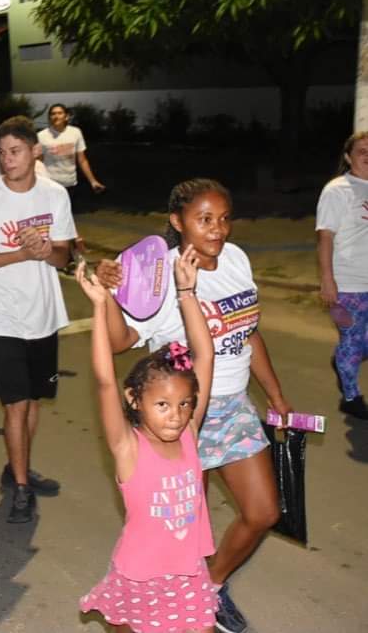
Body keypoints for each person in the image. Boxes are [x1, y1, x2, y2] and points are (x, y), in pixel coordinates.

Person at [95, 179, 287, 633]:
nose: (218, 230)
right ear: (178, 222)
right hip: (182, 419)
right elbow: (122, 341)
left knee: (264, 512)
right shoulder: (160, 276)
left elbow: (248, 332)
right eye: (204, 220)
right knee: (178, 534)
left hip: (234, 406)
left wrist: (275, 395)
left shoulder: (236, 259)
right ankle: (156, 607)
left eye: (223, 218)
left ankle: (211, 586)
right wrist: (108, 297)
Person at [77, 248, 218, 633]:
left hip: (189, 573)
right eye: (161, 404)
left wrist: (186, 292)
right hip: (141, 578)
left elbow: (205, 354)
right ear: (134, 400)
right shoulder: (129, 448)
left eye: (184, 403)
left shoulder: (189, 432)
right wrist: (99, 307)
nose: (176, 413)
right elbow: (105, 380)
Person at [0, 116, 76, 523]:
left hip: (44, 315)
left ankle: (18, 466)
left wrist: (46, 251)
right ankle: (21, 488)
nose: (7, 160)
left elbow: (65, 256)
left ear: (35, 151)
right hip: (4, 320)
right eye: (3, 152)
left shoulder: (55, 195)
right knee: (14, 405)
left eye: (16, 151)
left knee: (35, 400)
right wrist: (21, 254)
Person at [318, 132, 368, 420]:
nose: (367, 155)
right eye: (362, 150)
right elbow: (325, 236)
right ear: (348, 157)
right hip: (347, 284)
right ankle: (351, 397)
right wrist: (327, 279)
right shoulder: (338, 190)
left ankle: (343, 361)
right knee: (352, 340)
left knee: (358, 344)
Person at [37, 103, 105, 196]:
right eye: (53, 114)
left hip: (70, 184)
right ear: (49, 118)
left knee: (69, 210)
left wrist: (93, 181)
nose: (56, 116)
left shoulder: (75, 132)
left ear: (66, 116)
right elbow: (38, 162)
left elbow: (82, 160)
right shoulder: (41, 136)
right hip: (50, 185)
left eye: (60, 113)